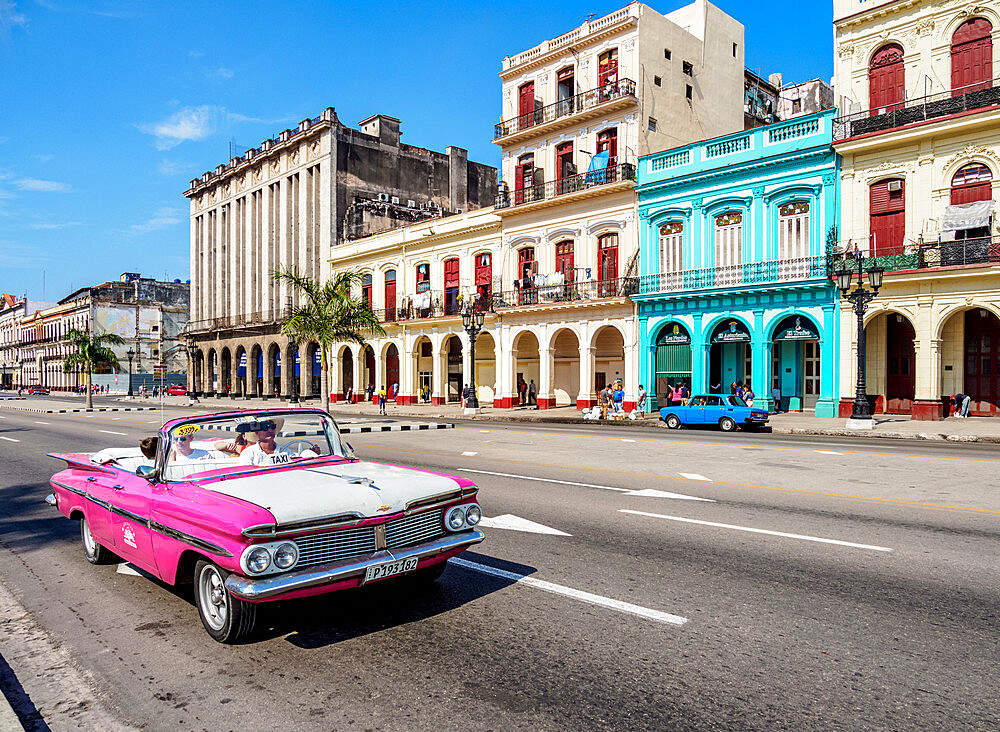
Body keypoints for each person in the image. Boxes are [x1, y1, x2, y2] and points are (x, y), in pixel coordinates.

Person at [239, 419, 316, 466]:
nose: (270, 430)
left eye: (272, 427)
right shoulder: (248, 454)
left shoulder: (286, 452)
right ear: (257, 432)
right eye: (265, 427)